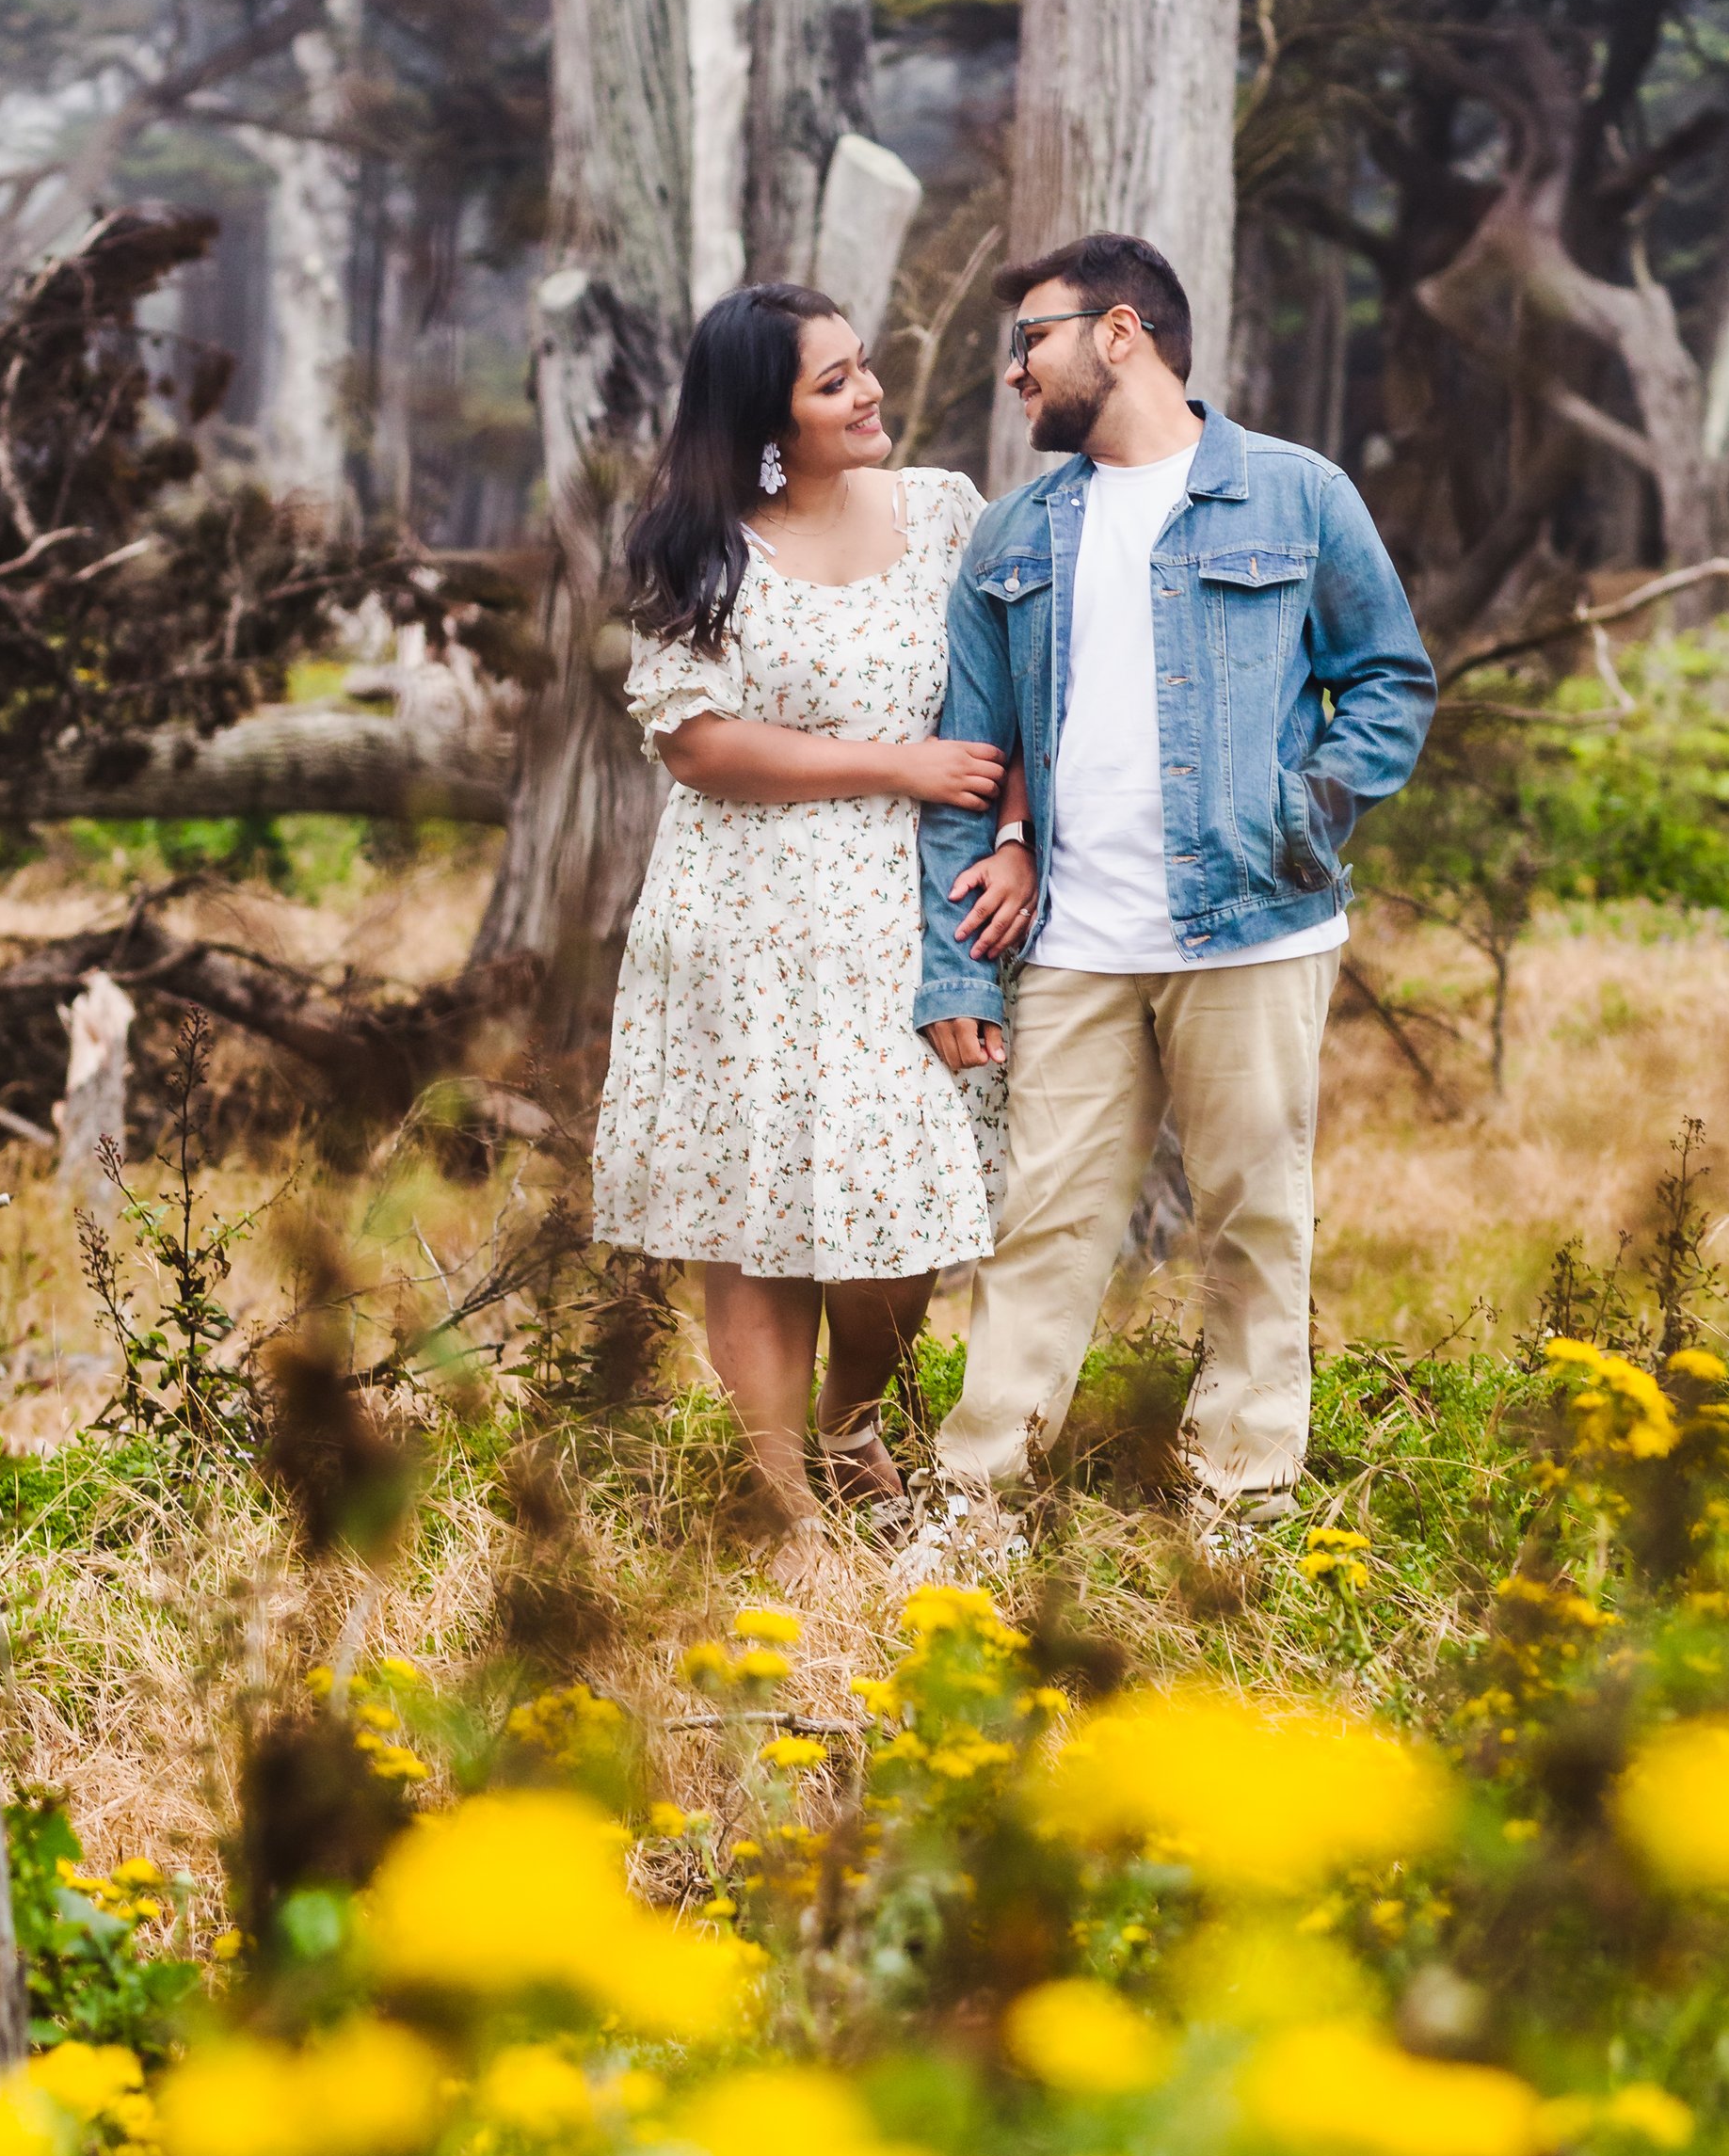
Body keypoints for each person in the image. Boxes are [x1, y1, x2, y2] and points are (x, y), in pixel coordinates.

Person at [913, 231, 1436, 1543]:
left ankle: (1240, 1495)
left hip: (1257, 928)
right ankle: (978, 1501)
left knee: (1256, 1215)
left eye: (1031, 340)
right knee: (1044, 1225)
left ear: (1122, 331)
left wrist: (1303, 809)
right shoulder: (1012, 535)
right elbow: (976, 771)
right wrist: (958, 961)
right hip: (1076, 940)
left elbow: (1389, 680)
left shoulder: (1297, 494)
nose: (1017, 374)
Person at [593, 281, 1038, 1563]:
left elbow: (1007, 694)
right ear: (768, 416)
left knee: (906, 1208)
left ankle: (850, 1420)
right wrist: (900, 764)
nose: (871, 391)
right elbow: (698, 742)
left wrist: (1008, 832)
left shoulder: (946, 512)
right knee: (757, 1212)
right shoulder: (700, 543)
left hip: (912, 916)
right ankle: (784, 1504)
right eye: (835, 380)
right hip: (745, 921)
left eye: (864, 367)